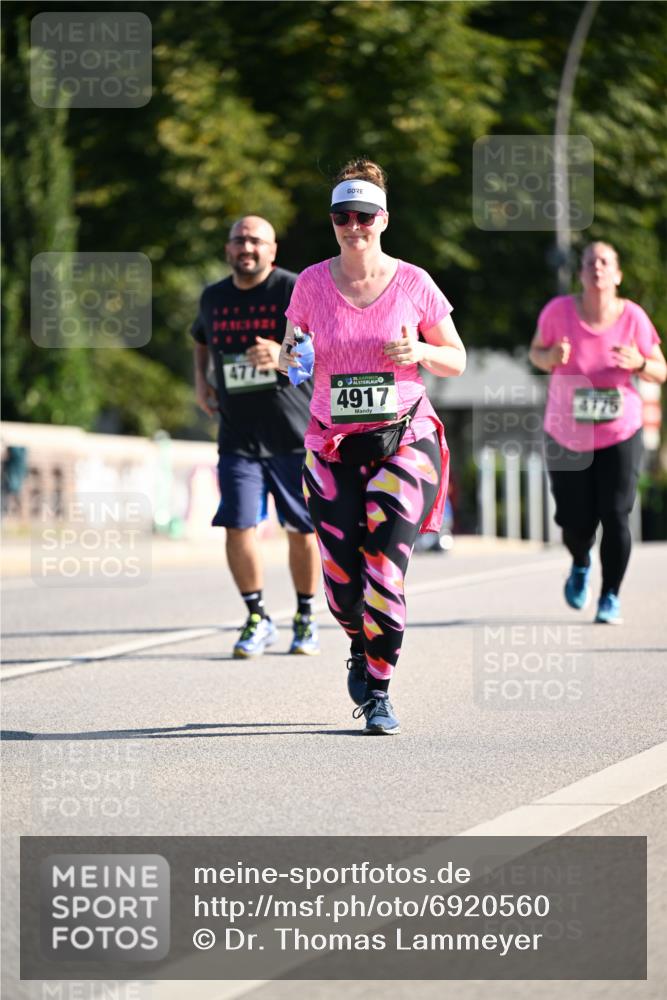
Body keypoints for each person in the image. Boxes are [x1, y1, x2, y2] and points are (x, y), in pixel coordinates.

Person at [279, 159, 466, 734]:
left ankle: (380, 690)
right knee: (341, 585)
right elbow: (291, 356)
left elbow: (455, 358)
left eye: (363, 215)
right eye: (342, 216)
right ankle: (360, 641)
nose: (353, 226)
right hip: (332, 444)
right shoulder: (311, 283)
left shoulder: (413, 282)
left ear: (383, 219)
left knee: (384, 562)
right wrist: (294, 359)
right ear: (332, 221)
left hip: (404, 437)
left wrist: (421, 355)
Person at [192, 215, 321, 657]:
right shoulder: (213, 296)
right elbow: (201, 338)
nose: (246, 247)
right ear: (228, 249)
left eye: (255, 240)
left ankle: (305, 617)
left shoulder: (294, 289)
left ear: (272, 249)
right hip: (237, 432)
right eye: (238, 240)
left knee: (301, 529)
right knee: (237, 525)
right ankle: (257, 617)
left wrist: (283, 354)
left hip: (293, 432)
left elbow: (325, 347)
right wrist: (201, 381)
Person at [529, 241, 665, 624]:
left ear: (617, 274)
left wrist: (639, 362)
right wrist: (550, 357)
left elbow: (660, 369)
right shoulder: (558, 312)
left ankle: (610, 596)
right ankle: (579, 561)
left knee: (616, 514)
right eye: (590, 262)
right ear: (582, 273)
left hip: (620, 431)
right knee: (575, 521)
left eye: (605, 262)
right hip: (566, 434)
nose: (598, 268)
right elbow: (535, 353)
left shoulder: (633, 318)